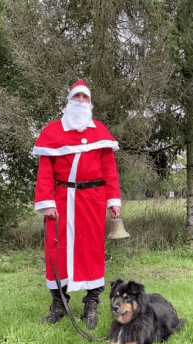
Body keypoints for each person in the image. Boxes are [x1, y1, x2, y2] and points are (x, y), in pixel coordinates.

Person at [33, 80, 121, 329]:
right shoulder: (53, 131)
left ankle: (91, 304)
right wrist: (47, 203)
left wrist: (113, 201)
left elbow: (109, 170)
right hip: (61, 200)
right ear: (69, 101)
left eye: (85, 97)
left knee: (91, 251)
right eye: (77, 97)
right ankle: (59, 304)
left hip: (93, 199)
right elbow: (45, 172)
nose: (81, 101)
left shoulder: (99, 132)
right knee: (56, 251)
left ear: (89, 103)